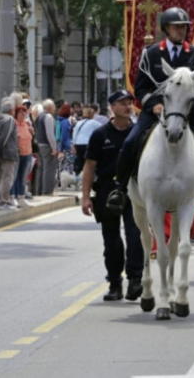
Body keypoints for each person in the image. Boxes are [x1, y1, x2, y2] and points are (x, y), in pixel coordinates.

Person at [106, 7, 194, 220]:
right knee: (130, 143)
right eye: (177, 27)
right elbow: (140, 88)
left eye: (184, 27)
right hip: (156, 112)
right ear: (166, 28)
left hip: (188, 113)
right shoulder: (150, 54)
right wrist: (154, 105)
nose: (181, 31)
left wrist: (193, 105)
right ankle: (120, 190)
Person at [80, 90, 144, 302]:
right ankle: (115, 282)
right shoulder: (100, 134)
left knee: (135, 236)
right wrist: (86, 196)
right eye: (122, 103)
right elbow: (90, 166)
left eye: (129, 103)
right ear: (112, 108)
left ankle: (135, 279)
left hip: (133, 189)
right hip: (107, 190)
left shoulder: (138, 133)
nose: (127, 107)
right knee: (112, 240)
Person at [11, 102, 34, 209]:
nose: (22, 115)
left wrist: (32, 132)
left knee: (23, 177)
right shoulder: (14, 124)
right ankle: (13, 198)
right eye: (20, 112)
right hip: (18, 153)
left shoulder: (27, 124)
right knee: (15, 177)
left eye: (24, 112)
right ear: (16, 114)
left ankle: (21, 198)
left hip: (27, 153)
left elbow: (30, 137)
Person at [34, 99, 59, 196]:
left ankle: (39, 190)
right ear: (50, 107)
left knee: (41, 168)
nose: (55, 109)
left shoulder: (39, 116)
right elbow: (50, 134)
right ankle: (47, 190)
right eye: (53, 107)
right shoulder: (48, 117)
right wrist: (54, 148)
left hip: (39, 144)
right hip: (47, 145)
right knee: (49, 169)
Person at [72, 104, 102, 175]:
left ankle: (79, 178)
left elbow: (74, 134)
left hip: (78, 144)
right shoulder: (94, 123)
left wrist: (74, 145)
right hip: (88, 144)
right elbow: (102, 129)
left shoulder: (78, 123)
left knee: (80, 162)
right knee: (88, 163)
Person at [56, 103, 74, 175]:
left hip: (60, 145)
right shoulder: (65, 122)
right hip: (66, 146)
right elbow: (64, 135)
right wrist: (61, 149)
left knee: (61, 164)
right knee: (68, 164)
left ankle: (60, 179)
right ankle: (66, 181)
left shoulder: (59, 120)